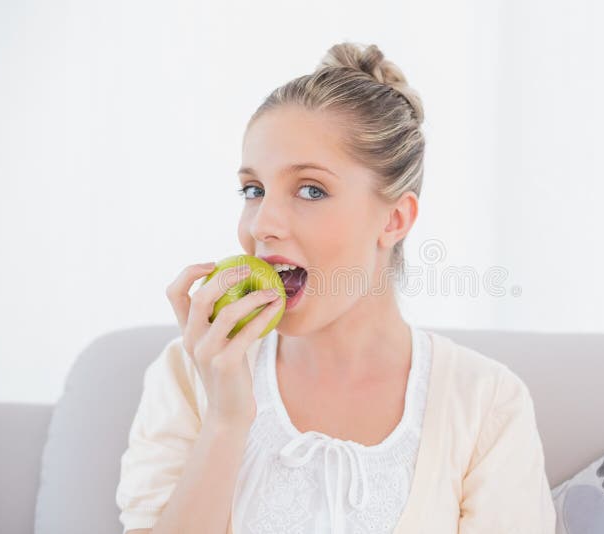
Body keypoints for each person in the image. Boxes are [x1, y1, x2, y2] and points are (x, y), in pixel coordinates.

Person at [116, 41, 556, 534]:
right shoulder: (188, 374)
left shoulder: (485, 403)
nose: (263, 224)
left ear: (394, 219)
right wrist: (225, 417)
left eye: (310, 190)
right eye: (253, 190)